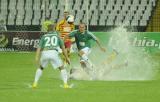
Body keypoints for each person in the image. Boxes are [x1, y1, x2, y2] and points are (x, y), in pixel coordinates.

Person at [32, 24, 70, 89]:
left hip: (45, 53)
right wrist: (67, 58)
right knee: (62, 68)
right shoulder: (57, 36)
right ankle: (65, 84)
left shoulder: (44, 36)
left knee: (41, 68)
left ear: (47, 30)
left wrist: (36, 57)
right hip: (53, 53)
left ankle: (35, 83)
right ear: (54, 29)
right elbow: (63, 48)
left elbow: (39, 48)